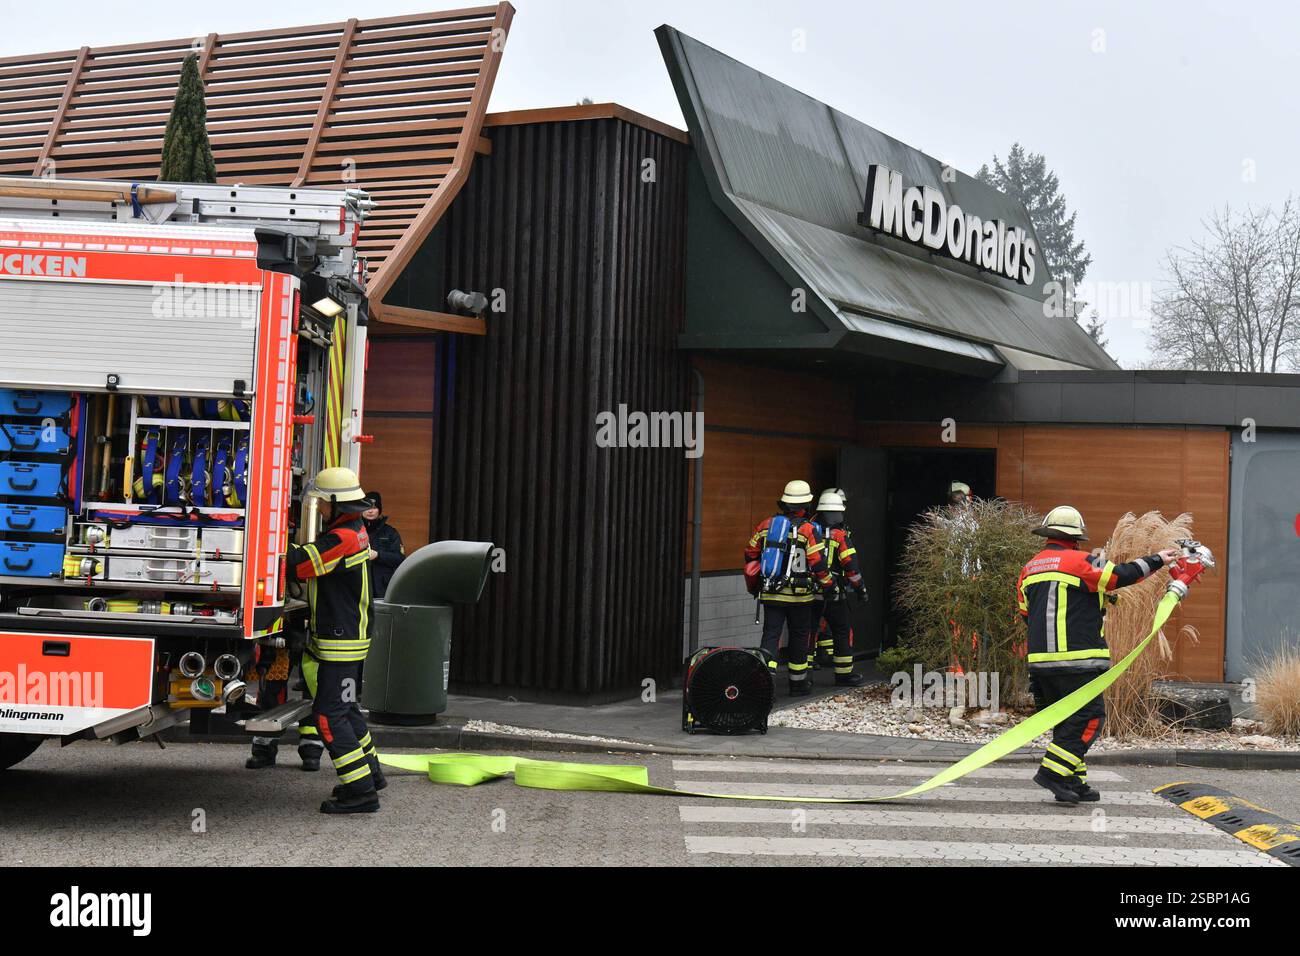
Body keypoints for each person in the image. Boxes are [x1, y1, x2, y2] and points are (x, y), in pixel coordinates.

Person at [1016, 505, 1178, 804]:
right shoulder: (1080, 561)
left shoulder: (1030, 568)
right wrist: (1158, 559)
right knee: (1089, 719)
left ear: (1047, 535)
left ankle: (1074, 783)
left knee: (1067, 722)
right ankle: (1053, 773)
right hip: (1077, 661)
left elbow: (1027, 613)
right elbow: (1120, 576)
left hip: (1041, 664)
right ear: (1075, 538)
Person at [287, 466, 384, 814]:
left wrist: (272, 541)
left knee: (328, 716)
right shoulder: (355, 530)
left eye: (323, 503)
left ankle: (360, 792)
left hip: (340, 641)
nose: (321, 509)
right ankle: (371, 776)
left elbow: (301, 566)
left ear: (334, 502)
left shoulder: (342, 537)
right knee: (346, 710)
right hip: (351, 637)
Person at [744, 480, 835, 696]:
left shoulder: (766, 525)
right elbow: (818, 562)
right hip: (800, 598)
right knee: (799, 637)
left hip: (771, 593)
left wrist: (757, 584)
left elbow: (750, 553)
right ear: (805, 506)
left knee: (771, 635)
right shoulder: (808, 529)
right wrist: (828, 585)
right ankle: (798, 684)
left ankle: (764, 684)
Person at [809, 489, 867, 686]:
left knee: (807, 630)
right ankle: (843, 675)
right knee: (842, 631)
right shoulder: (840, 535)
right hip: (835, 593)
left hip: (809, 592)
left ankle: (804, 677)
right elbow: (851, 566)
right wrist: (860, 589)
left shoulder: (808, 530)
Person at [361, 492, 405, 599]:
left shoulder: (390, 532)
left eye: (375, 507)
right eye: (367, 507)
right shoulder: (354, 531)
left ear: (379, 510)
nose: (371, 511)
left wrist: (378, 555)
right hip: (359, 588)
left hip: (383, 589)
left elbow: (399, 559)